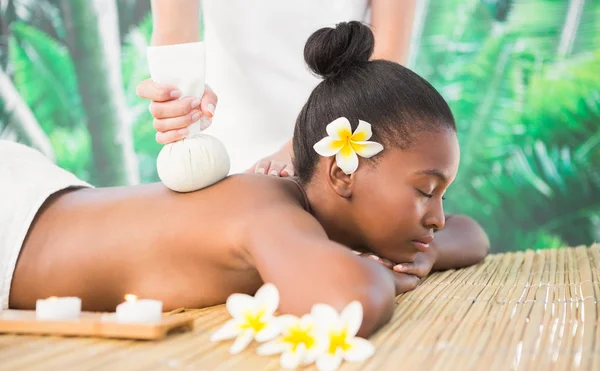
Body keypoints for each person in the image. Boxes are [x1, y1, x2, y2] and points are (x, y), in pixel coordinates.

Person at [4, 22, 489, 337]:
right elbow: (348, 302)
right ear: (343, 172)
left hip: (43, 198)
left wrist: (422, 253)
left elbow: (473, 236)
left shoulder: (297, 214)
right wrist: (385, 269)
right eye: (426, 191)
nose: (439, 217)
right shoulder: (266, 210)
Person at [137, 0, 417, 176]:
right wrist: (181, 99)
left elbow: (385, 59)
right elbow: (176, 33)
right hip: (224, 148)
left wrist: (302, 147)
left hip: (341, 139)